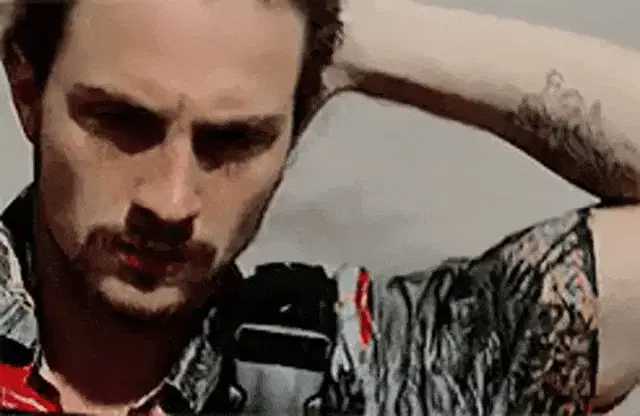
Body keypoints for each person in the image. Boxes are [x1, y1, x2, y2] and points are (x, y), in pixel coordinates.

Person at [0, 0, 639, 414]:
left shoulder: (369, 378)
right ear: (27, 91)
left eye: (234, 140)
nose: (171, 201)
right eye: (121, 121)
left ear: (296, 127)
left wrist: (335, 29)